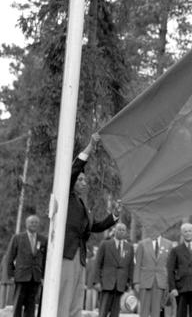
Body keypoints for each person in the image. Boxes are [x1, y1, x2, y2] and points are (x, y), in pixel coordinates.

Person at [59, 134, 121, 317]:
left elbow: (97, 226)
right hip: (66, 252)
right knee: (64, 294)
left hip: (79, 255)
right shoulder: (66, 197)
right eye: (80, 180)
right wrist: (90, 148)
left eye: (85, 181)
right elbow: (74, 169)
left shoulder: (81, 204)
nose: (83, 182)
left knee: (77, 295)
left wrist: (115, 215)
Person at [5, 215, 47, 317]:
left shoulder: (43, 239)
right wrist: (10, 274)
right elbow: (10, 257)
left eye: (36, 222)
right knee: (18, 303)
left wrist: (43, 276)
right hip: (21, 276)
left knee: (31, 304)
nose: (34, 224)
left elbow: (45, 259)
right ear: (26, 224)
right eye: (31, 222)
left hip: (35, 277)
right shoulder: (17, 238)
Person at [94, 222, 134, 317]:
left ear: (126, 232)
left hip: (121, 283)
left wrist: (130, 282)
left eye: (123, 230)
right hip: (106, 283)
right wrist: (97, 281)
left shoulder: (130, 247)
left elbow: (131, 266)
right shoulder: (105, 244)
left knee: (115, 312)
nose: (121, 231)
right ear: (114, 231)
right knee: (103, 311)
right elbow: (98, 264)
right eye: (119, 229)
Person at [134, 231, 173, 317]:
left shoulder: (169, 244)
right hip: (145, 282)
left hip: (161, 282)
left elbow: (170, 266)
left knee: (156, 312)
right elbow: (138, 264)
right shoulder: (142, 244)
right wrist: (136, 281)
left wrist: (169, 283)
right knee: (144, 312)